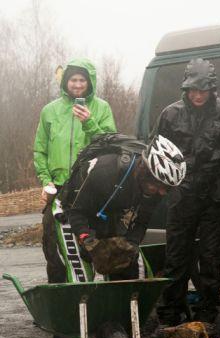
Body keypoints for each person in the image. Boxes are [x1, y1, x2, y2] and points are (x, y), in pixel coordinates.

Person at [151, 58, 220, 338]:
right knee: (175, 256)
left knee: (211, 257)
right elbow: (155, 152)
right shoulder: (170, 114)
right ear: (186, 88)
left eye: (202, 90)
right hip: (181, 195)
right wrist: (170, 185)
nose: (197, 95)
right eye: (193, 90)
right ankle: (170, 316)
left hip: (214, 196)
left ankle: (207, 316)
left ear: (212, 89)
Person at [58, 133, 186, 282]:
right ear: (144, 169)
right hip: (71, 210)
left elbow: (142, 220)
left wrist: (132, 243)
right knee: (81, 276)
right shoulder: (106, 171)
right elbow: (77, 212)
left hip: (108, 212)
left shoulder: (156, 187)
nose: (162, 192)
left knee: (133, 272)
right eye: (159, 185)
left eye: (167, 188)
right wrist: (86, 239)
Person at [33, 58, 116, 283]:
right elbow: (40, 150)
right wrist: (45, 180)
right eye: (73, 80)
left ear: (90, 82)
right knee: (53, 247)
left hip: (91, 186)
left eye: (82, 80)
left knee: (95, 244)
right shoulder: (50, 111)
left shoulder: (102, 107)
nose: (77, 85)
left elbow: (111, 145)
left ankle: (103, 299)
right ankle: (61, 303)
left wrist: (89, 122)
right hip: (58, 189)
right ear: (65, 82)